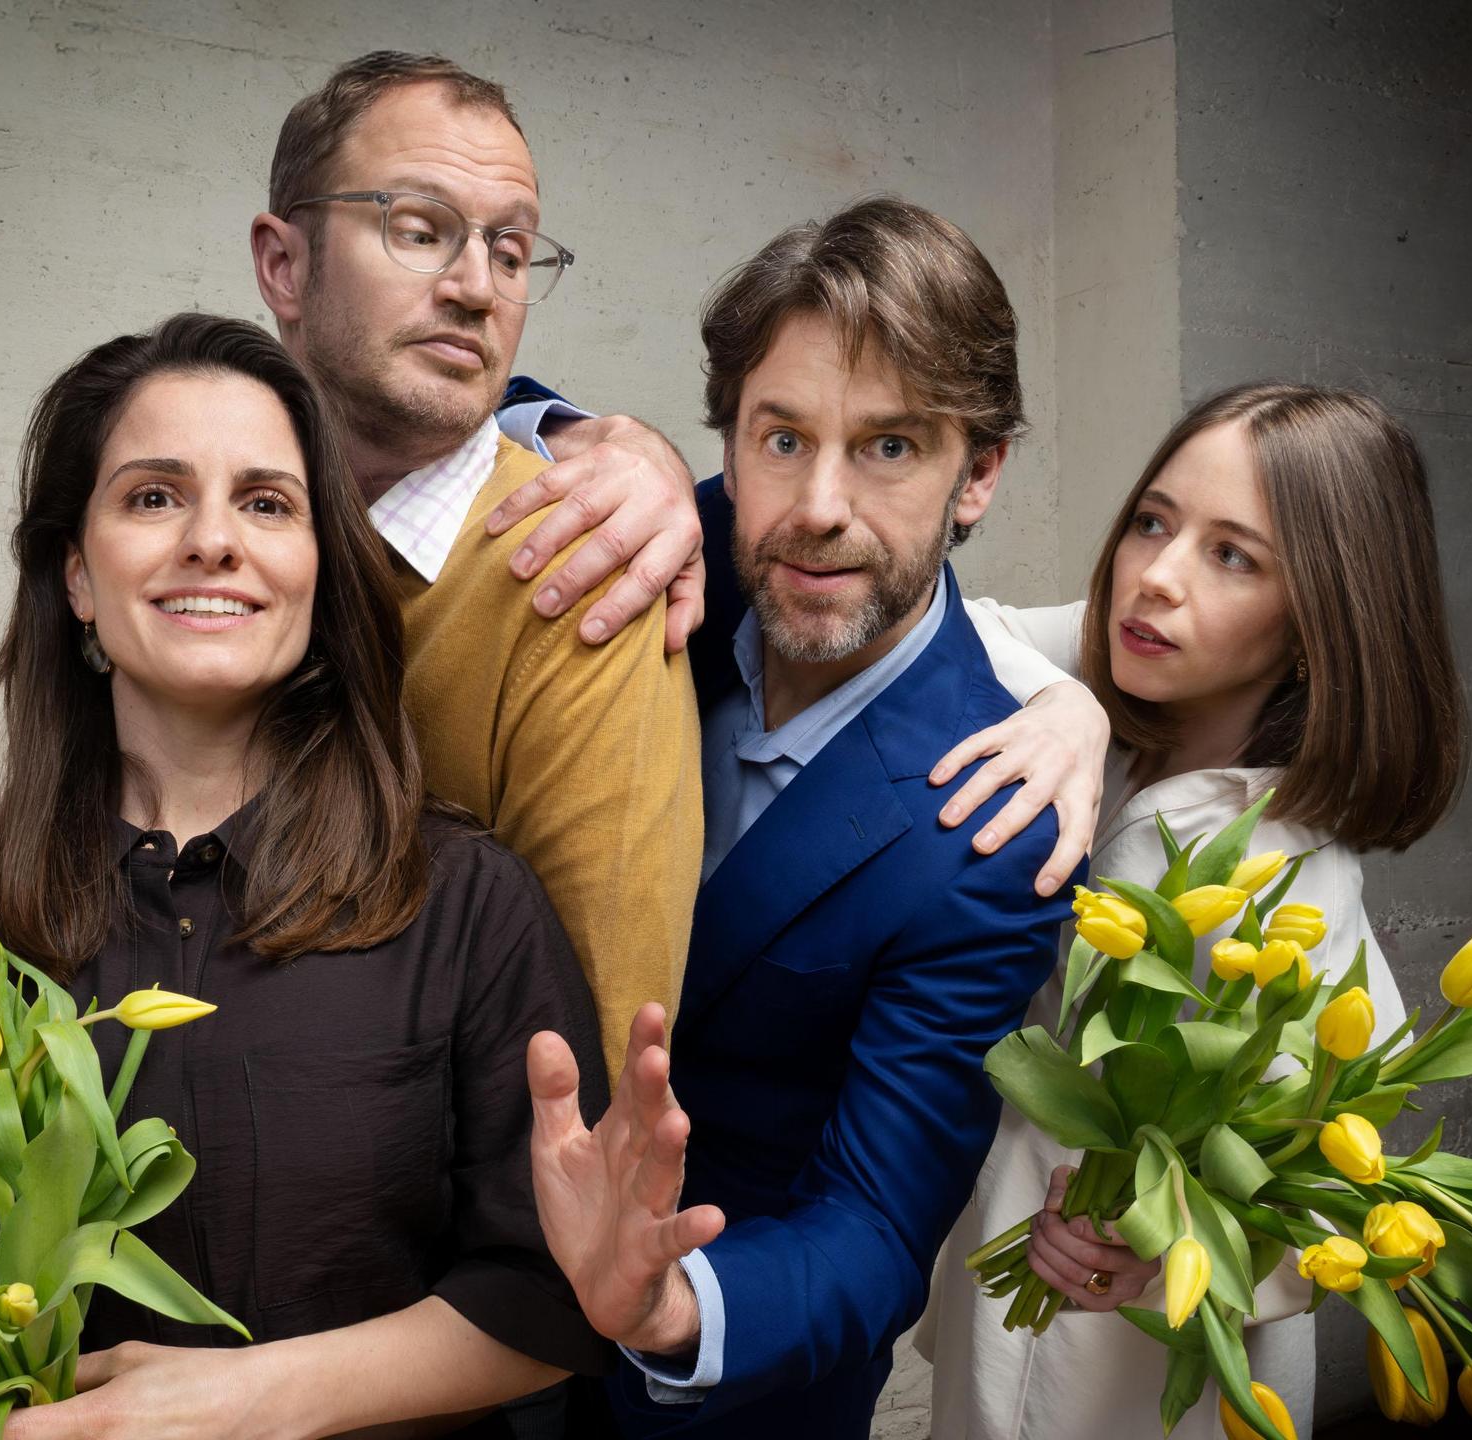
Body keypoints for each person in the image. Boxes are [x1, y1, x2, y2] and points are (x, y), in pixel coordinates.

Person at [0, 313, 611, 1438]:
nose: (213, 540)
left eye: (266, 502)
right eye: (154, 497)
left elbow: (551, 1299)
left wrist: (243, 1401)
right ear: (77, 575)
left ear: (318, 571)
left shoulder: (468, 905)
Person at [521, 198, 1079, 1439]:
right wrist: (600, 437)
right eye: (782, 439)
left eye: (890, 448)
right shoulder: (678, 549)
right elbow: (459, 402)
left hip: (721, 1397)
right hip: (473, 1340)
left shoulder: (996, 824)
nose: (819, 504)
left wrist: (669, 1306)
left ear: (978, 473)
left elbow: (880, 1222)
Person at [919, 382, 1469, 1440]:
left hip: (1144, 1373)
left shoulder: (1279, 872)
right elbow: (950, 627)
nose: (1156, 579)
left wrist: (1188, 1247)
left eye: (1235, 557)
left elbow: (1349, 1169)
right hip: (1010, 1296)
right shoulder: (1123, 681)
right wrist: (1067, 707)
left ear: (1325, 617)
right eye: (1153, 522)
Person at [249, 52, 702, 1083]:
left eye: (511, 251)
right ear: (284, 264)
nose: (476, 289)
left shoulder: (586, 571)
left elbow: (593, 1073)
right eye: (419, 230)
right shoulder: (206, 540)